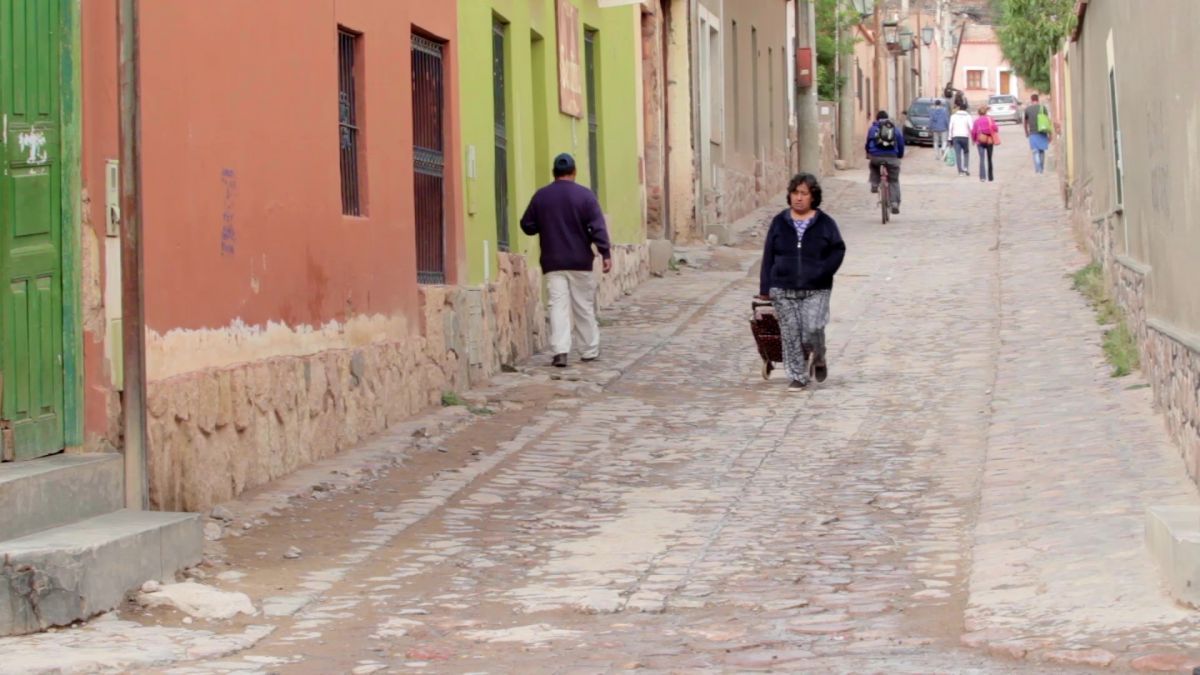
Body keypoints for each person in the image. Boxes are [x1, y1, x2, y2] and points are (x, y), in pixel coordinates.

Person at [519, 153, 612, 368]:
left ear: (554, 173)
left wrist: (545, 223)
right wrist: (605, 253)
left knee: (557, 306)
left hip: (553, 261)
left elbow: (527, 225)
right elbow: (597, 227)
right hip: (580, 261)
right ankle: (589, 349)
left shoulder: (541, 196)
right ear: (574, 172)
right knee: (583, 305)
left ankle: (560, 351)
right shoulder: (585, 196)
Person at [756, 174, 847, 392]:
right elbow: (768, 255)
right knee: (790, 334)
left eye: (804, 193)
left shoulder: (825, 223)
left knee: (812, 329)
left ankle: (819, 355)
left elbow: (838, 250)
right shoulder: (779, 222)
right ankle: (797, 376)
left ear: (813, 196)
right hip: (782, 287)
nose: (798, 198)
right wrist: (765, 287)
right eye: (795, 193)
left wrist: (824, 272)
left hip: (817, 288)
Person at [865, 110, 904, 214]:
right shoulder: (895, 129)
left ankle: (874, 184)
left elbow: (868, 143)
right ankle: (894, 203)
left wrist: (868, 153)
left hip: (876, 156)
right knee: (893, 180)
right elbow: (901, 144)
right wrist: (899, 155)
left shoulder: (873, 128)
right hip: (892, 157)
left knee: (873, 166)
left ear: (877, 119)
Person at [1023, 93, 1052, 174]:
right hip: (1043, 132)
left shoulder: (1027, 109)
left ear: (1031, 100)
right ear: (1038, 100)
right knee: (1042, 151)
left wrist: (1026, 132)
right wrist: (1050, 134)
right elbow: (1047, 121)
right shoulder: (1043, 108)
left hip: (1033, 133)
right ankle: (1041, 168)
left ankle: (1037, 168)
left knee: (1035, 151)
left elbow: (1025, 122)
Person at [971, 104, 999, 182]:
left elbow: (973, 132)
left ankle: (982, 177)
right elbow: (996, 128)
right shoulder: (990, 119)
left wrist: (973, 140)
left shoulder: (976, 121)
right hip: (989, 140)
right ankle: (990, 177)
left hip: (980, 141)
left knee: (982, 159)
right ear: (986, 112)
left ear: (978, 113)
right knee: (989, 158)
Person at [948, 104, 974, 176]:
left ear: (959, 108)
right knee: (966, 153)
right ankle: (965, 168)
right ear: (966, 109)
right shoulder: (968, 116)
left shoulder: (953, 116)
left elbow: (950, 127)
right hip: (965, 137)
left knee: (958, 154)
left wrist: (949, 138)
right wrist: (973, 138)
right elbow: (971, 128)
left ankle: (960, 171)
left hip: (955, 137)